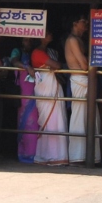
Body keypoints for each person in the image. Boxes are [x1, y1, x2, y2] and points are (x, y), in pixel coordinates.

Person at [64, 17, 100, 165]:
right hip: (80, 78)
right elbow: (85, 65)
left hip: (85, 80)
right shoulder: (72, 40)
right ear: (74, 23)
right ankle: (77, 156)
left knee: (93, 117)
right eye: (83, 22)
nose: (86, 25)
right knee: (79, 116)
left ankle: (91, 155)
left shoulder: (79, 39)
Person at [31, 35, 69, 166]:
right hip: (46, 87)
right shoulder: (38, 52)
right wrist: (54, 66)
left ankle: (52, 155)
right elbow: (57, 65)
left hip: (50, 84)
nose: (49, 34)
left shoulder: (47, 51)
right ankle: (52, 156)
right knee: (52, 120)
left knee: (55, 119)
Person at [7, 38, 41, 163]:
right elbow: (14, 61)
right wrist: (26, 66)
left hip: (36, 90)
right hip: (23, 91)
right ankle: (24, 154)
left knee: (35, 121)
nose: (28, 43)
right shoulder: (17, 52)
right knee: (25, 120)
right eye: (26, 40)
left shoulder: (35, 52)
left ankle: (35, 153)